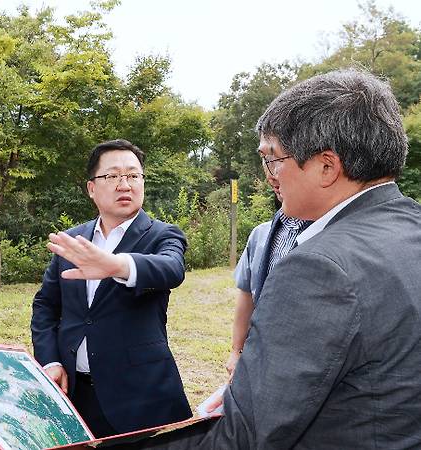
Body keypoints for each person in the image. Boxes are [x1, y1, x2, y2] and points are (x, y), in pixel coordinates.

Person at [125, 69, 421, 449]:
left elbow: (243, 438)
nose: (268, 176)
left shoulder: (319, 267)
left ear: (327, 166)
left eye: (273, 159)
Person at [31, 139, 192, 437]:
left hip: (140, 397)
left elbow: (171, 269)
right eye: (113, 176)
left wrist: (116, 265)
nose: (125, 184)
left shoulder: (162, 235)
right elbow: (46, 306)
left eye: (133, 175)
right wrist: (50, 360)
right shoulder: (73, 240)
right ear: (92, 188)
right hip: (75, 393)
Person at [226, 159, 311, 378]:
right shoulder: (260, 235)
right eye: (266, 162)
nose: (272, 176)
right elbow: (246, 295)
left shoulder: (330, 233)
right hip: (260, 356)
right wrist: (236, 351)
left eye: (278, 162)